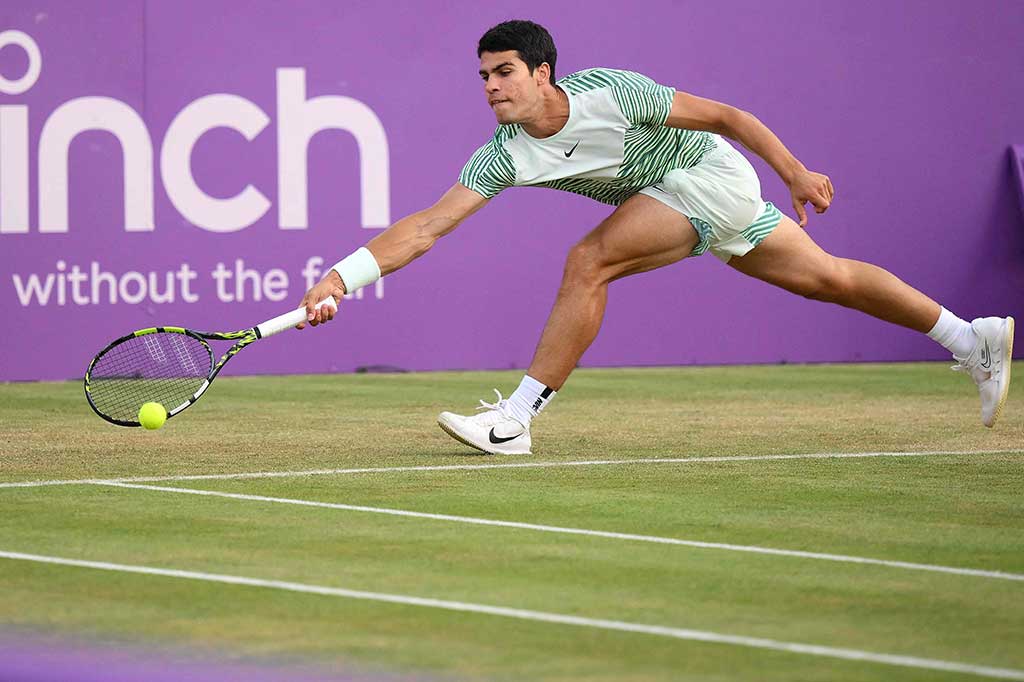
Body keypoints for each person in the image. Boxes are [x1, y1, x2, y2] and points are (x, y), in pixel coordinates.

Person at [298, 20, 1014, 455]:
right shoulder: (505, 154)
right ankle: (969, 337)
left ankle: (515, 421)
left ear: (542, 73)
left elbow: (728, 116)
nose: (490, 86)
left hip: (707, 172)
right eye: (483, 75)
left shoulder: (613, 93)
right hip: (690, 198)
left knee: (589, 260)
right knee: (830, 278)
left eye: (504, 72)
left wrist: (793, 171)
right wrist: (340, 276)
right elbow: (426, 226)